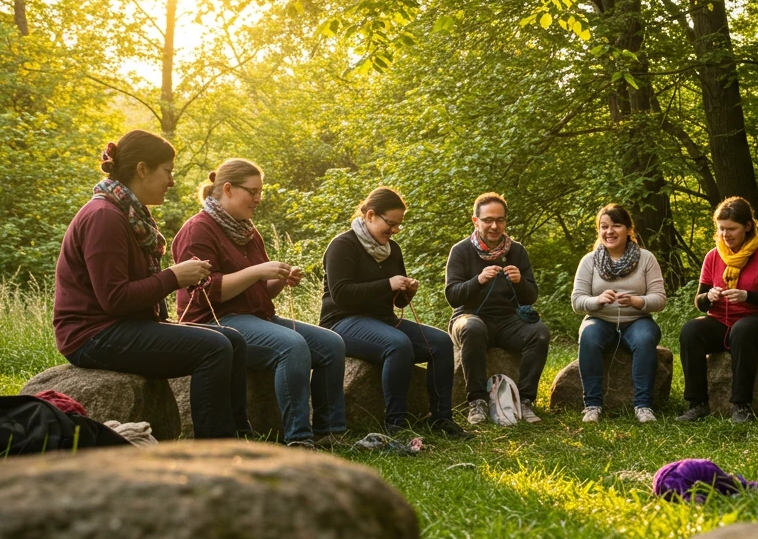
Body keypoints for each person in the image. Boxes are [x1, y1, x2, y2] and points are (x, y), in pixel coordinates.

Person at [54, 130, 250, 439]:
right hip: (91, 335)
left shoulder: (128, 214)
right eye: (168, 171)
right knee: (214, 348)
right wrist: (175, 277)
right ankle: (216, 449)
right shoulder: (104, 216)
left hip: (121, 325)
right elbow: (114, 299)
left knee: (233, 340)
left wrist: (176, 278)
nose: (172, 181)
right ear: (142, 169)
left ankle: (241, 436)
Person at [173, 158, 347, 445]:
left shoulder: (247, 231)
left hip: (257, 318)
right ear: (227, 189)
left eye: (260, 192)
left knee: (331, 343)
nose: (257, 199)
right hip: (216, 322)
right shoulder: (197, 230)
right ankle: (299, 439)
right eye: (252, 191)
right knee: (291, 345)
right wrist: (256, 271)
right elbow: (207, 292)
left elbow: (261, 292)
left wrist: (280, 278)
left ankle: (330, 432)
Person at [320, 187, 469, 437]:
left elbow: (396, 303)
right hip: (342, 321)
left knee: (442, 343)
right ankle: (396, 425)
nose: (394, 230)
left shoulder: (392, 249)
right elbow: (341, 293)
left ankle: (441, 418)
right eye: (390, 223)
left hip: (382, 320)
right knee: (397, 344)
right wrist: (388, 284)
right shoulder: (343, 245)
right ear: (369, 216)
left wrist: (405, 292)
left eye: (398, 225)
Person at [677, 196, 758, 424]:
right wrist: (709, 296)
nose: (726, 235)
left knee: (742, 330)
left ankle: (741, 406)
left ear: (747, 226)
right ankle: (697, 403)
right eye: (721, 229)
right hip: (721, 320)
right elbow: (699, 301)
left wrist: (747, 295)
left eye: (732, 229)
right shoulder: (713, 256)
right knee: (691, 331)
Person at [444, 192, 550, 425]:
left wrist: (519, 281)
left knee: (539, 332)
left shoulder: (517, 251)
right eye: (488, 220)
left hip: (507, 320)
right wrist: (478, 280)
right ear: (476, 221)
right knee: (472, 328)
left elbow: (531, 296)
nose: (494, 226)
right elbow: (452, 296)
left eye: (500, 220)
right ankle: (477, 402)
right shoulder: (461, 250)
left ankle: (524, 401)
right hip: (468, 316)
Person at [570, 204, 668, 423]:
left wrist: (637, 301)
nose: (609, 231)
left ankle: (643, 406)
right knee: (589, 335)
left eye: (616, 225)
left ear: (629, 229)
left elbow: (660, 300)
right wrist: (597, 301)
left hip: (637, 321)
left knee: (644, 338)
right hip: (599, 319)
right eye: (604, 227)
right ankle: (592, 405)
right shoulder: (589, 261)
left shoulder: (646, 258)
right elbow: (577, 302)